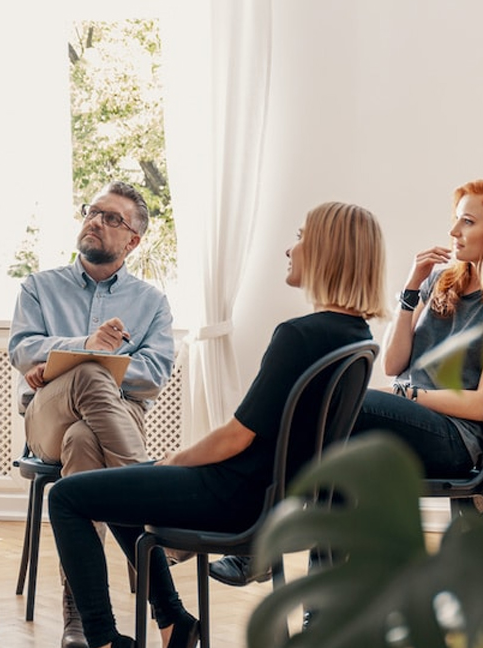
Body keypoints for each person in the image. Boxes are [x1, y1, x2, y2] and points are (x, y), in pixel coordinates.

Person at [47, 202, 387, 648]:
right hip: (271, 499)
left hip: (235, 497)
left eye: (301, 237)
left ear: (327, 250)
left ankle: (103, 640)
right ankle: (174, 622)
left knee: (68, 496)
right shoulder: (356, 337)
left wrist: (173, 462)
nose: (291, 248)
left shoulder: (300, 335)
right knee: (119, 488)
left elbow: (236, 435)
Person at [8, 180, 176, 648]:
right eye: (93, 211)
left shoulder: (151, 302)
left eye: (112, 219)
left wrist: (71, 365)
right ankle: (154, 509)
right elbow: (22, 350)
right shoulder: (40, 286)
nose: (96, 221)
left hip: (113, 420)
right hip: (46, 418)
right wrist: (86, 350)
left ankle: (85, 618)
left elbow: (153, 375)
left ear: (133, 241)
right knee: (85, 378)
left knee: (84, 441)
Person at [350, 180, 483, 481]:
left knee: (343, 404)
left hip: (454, 436)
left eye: (468, 221)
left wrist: (405, 393)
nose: (453, 232)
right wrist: (411, 290)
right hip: (405, 414)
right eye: (456, 219)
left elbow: (480, 405)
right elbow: (393, 364)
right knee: (327, 414)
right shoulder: (440, 282)